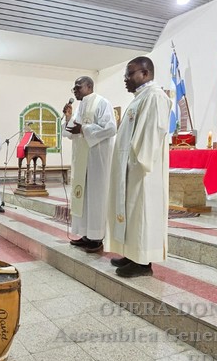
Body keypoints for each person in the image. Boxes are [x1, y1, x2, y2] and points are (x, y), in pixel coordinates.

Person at [108, 57, 172, 277]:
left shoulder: (155, 97)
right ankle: (131, 254)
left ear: (145, 74)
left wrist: (135, 162)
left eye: (130, 73)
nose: (126, 79)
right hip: (130, 168)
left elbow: (152, 133)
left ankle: (143, 263)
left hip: (143, 170)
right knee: (132, 213)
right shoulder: (140, 97)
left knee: (142, 212)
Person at [62, 76, 117, 253]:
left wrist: (84, 129)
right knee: (83, 198)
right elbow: (71, 132)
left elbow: (110, 128)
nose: (75, 90)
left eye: (78, 87)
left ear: (89, 86)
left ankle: (97, 238)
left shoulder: (102, 103)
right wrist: (68, 117)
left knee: (96, 197)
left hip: (96, 160)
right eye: (74, 88)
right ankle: (86, 234)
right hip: (82, 162)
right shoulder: (81, 106)